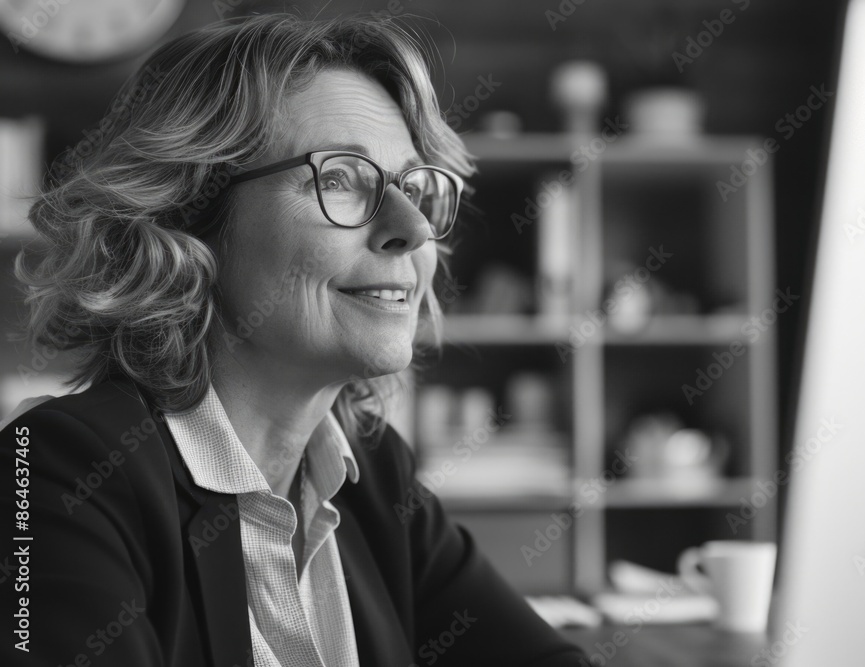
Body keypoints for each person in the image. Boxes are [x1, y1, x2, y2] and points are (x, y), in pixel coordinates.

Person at [0, 14, 589, 667]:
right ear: (189, 219)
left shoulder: (372, 474)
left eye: (416, 188)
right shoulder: (58, 470)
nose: (414, 228)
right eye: (340, 177)